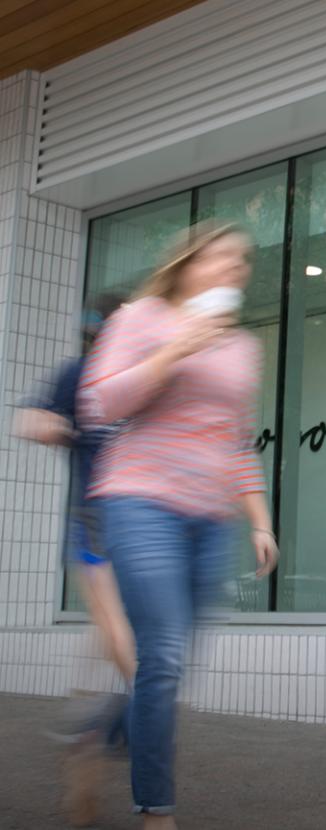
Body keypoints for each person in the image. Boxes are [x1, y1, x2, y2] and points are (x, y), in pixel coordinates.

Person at [76, 220, 279, 828]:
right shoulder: (140, 317)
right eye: (220, 257)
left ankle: (101, 738)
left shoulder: (244, 348)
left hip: (208, 519)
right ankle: (156, 811)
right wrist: (173, 351)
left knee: (169, 663)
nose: (233, 269)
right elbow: (99, 403)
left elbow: (235, 440)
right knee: (160, 655)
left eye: (241, 262)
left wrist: (260, 520)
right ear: (188, 263)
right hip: (139, 502)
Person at [16, 293, 131, 826]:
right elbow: (30, 420)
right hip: (93, 530)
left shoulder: (143, 378)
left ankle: (90, 727)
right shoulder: (78, 375)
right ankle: (96, 728)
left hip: (144, 533)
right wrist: (53, 426)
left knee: (118, 655)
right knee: (127, 654)